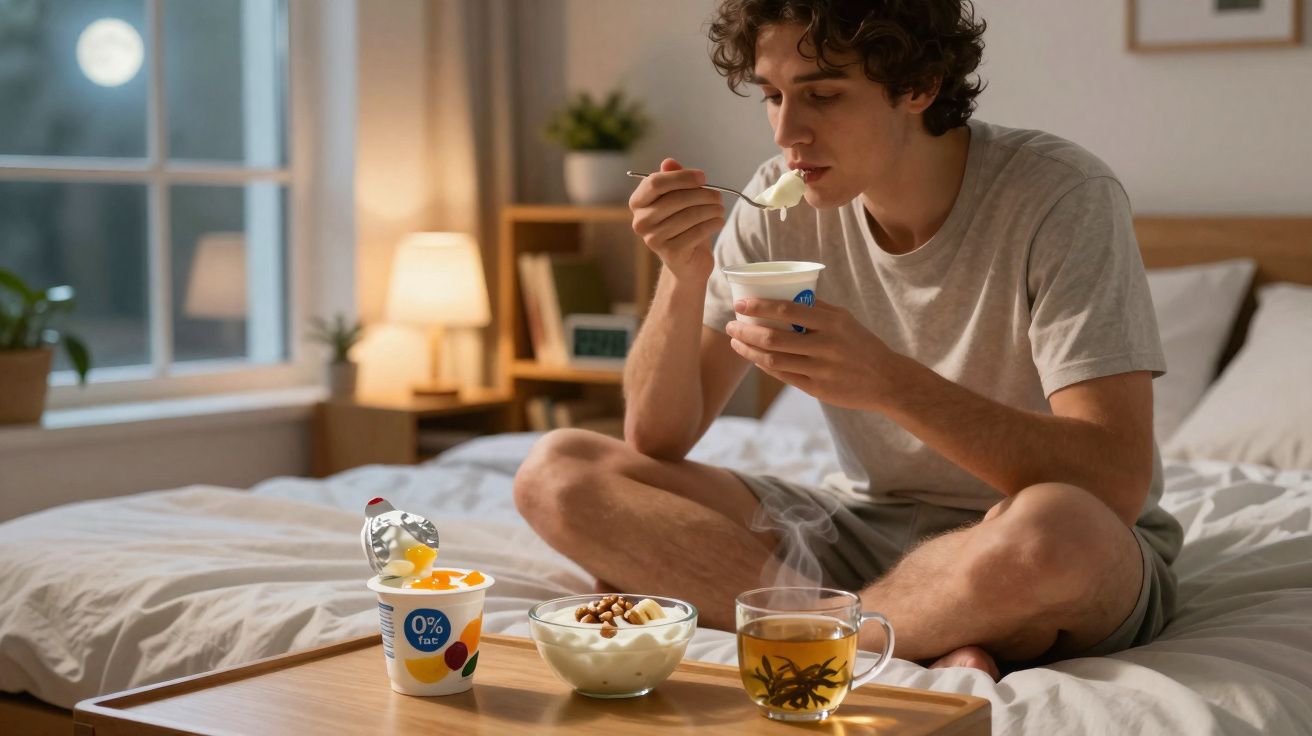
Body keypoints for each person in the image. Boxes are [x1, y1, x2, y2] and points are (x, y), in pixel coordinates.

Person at [514, 0, 1182, 679]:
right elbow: (657, 440)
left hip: (1021, 531)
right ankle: (892, 629)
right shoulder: (777, 204)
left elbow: (1115, 483)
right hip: (859, 528)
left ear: (917, 88)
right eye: (771, 96)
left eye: (822, 95)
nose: (786, 132)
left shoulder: (1061, 197)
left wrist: (888, 382)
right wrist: (683, 274)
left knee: (1056, 533)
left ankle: (827, 624)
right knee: (558, 472)